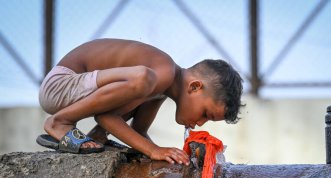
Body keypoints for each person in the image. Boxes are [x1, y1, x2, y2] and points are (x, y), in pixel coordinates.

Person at [37, 38, 243, 165]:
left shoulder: (161, 90)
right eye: (205, 114)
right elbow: (106, 116)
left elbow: (138, 131)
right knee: (142, 77)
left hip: (75, 89)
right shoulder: (163, 73)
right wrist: (154, 151)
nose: (199, 123)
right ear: (195, 87)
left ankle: (98, 136)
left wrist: (170, 156)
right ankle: (60, 122)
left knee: (143, 84)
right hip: (61, 85)